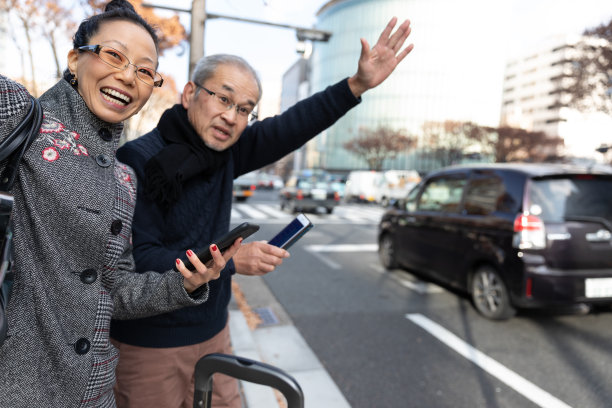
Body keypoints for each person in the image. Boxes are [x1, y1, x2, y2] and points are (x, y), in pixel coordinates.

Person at [111, 16, 414, 408]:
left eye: (245, 109)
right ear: (189, 93)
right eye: (223, 98)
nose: (231, 116)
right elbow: (140, 259)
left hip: (213, 331)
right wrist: (232, 260)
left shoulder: (226, 152)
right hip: (148, 344)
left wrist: (355, 86)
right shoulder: (136, 160)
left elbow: (291, 126)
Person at [0, 1, 239, 406]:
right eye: (113, 55)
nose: (128, 76)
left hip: (94, 391)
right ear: (75, 59)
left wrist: (186, 283)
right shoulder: (19, 118)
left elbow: (114, 291)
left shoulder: (124, 179)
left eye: (145, 71)